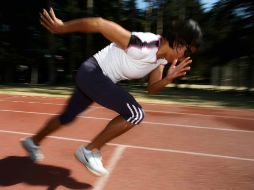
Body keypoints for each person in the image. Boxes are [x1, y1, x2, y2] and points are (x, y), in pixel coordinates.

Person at [21, 7, 202, 176]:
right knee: (135, 113)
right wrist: (61, 28)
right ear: (179, 45)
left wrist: (168, 79)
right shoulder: (143, 45)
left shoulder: (160, 60)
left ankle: (33, 142)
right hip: (93, 73)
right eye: (189, 54)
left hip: (94, 77)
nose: (188, 59)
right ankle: (89, 151)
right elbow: (100, 23)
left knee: (67, 117)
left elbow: (152, 89)